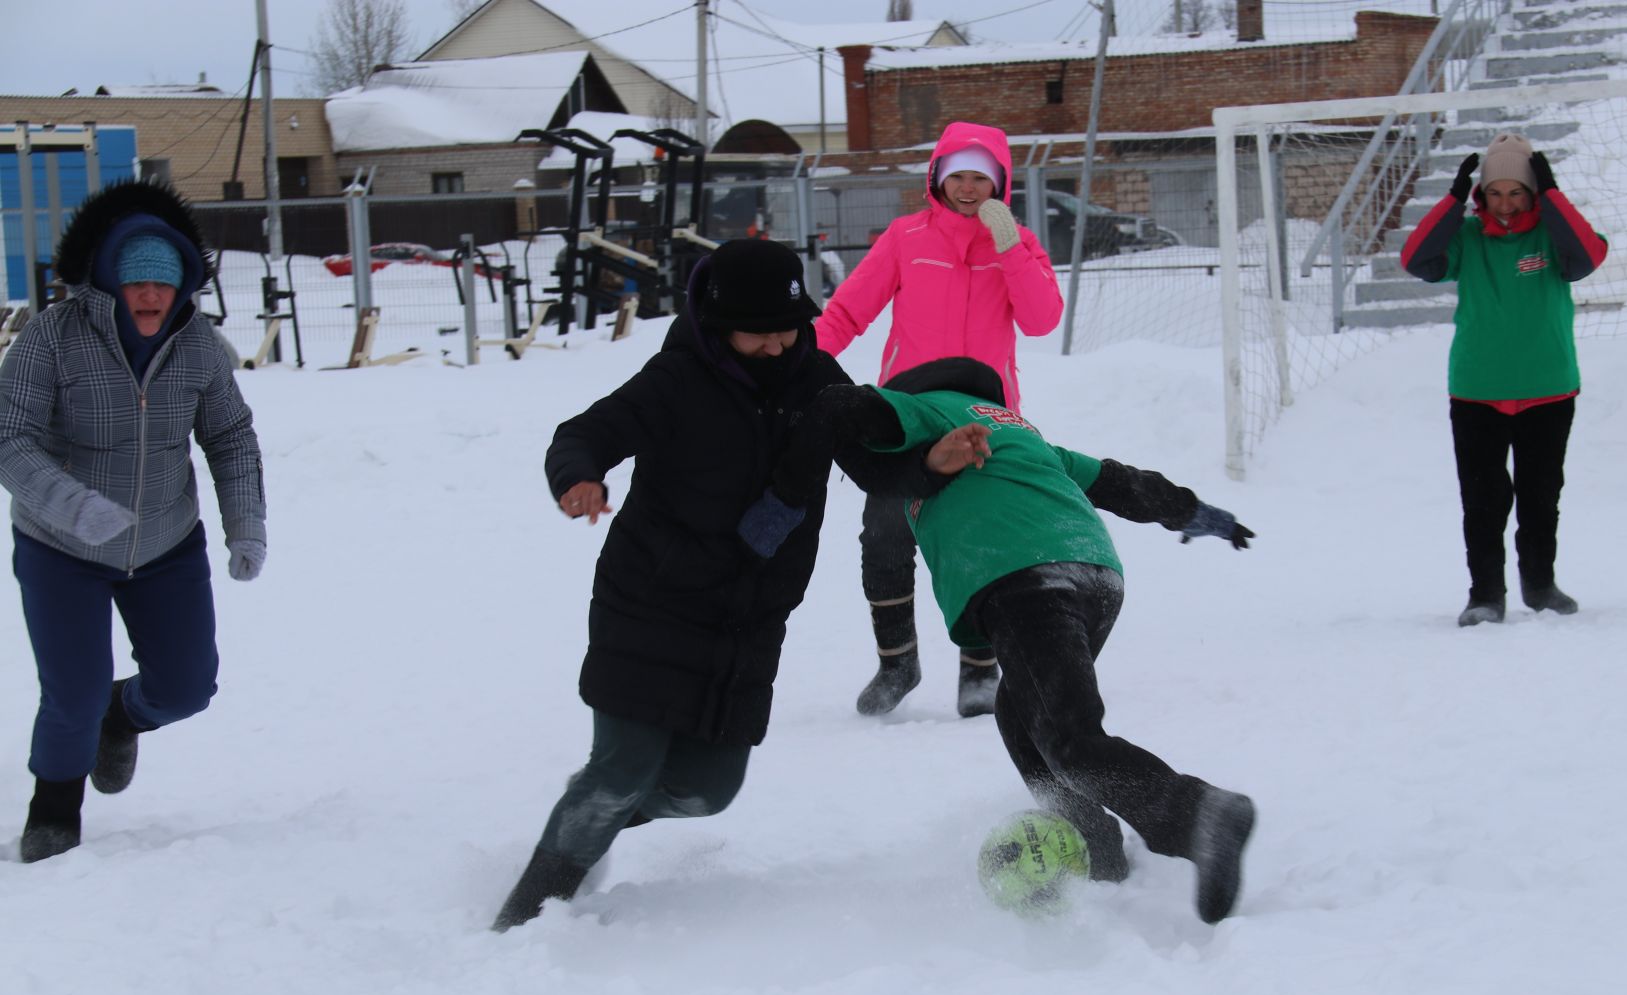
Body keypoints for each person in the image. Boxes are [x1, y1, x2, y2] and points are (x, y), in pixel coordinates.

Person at [492, 240, 990, 931]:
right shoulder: (676, 379)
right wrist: (579, 476)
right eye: (759, 330)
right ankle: (525, 917)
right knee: (621, 770)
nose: (777, 344)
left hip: (751, 615)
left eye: (787, 327)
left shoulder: (817, 378)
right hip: (651, 598)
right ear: (717, 321)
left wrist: (931, 464)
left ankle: (589, 820)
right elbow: (588, 431)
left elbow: (877, 467)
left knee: (706, 789)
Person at [817, 356, 1258, 924]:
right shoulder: (1021, 432)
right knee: (1022, 717)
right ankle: (1097, 849)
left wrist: (823, 407)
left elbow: (864, 410)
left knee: (1067, 737)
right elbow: (1124, 484)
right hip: (1095, 578)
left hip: (1022, 579)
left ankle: (1196, 814)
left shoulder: (926, 410)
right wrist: (1202, 515)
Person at [0, 180, 266, 862]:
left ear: (183, 288)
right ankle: (54, 811)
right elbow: (9, 437)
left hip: (166, 542)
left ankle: (120, 718)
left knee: (186, 688)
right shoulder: (52, 338)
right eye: (137, 283)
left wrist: (246, 523)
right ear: (111, 282)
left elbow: (230, 435)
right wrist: (69, 505)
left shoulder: (199, 347)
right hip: (61, 547)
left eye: (163, 284)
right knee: (72, 694)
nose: (150, 297)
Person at [815, 121, 1064, 719]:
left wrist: (1009, 247)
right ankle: (897, 662)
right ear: (938, 176)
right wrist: (803, 364)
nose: (969, 187)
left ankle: (980, 669)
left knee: (977, 538)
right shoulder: (906, 237)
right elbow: (850, 308)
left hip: (986, 414)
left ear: (1000, 182)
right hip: (904, 409)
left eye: (982, 176)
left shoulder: (1018, 243)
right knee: (885, 528)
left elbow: (1041, 319)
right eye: (958, 175)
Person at [1401, 133, 1610, 627]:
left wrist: (1555, 196)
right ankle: (1485, 595)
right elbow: (1416, 260)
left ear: (1535, 193)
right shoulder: (1468, 239)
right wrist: (1452, 202)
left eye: (1517, 192)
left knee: (1541, 496)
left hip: (1548, 387)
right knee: (1483, 501)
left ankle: (1540, 585)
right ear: (1481, 196)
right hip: (1478, 390)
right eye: (1495, 193)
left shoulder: (1554, 241)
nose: (1506, 204)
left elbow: (1589, 256)